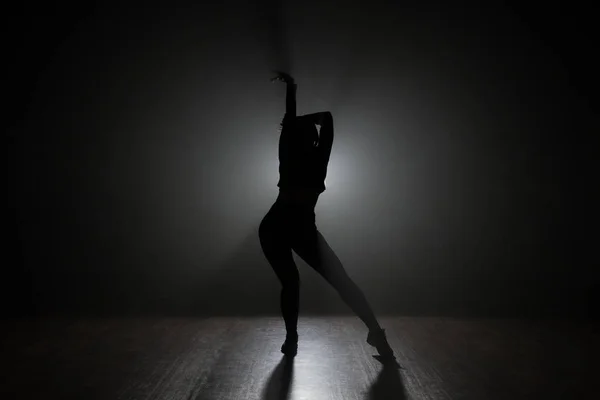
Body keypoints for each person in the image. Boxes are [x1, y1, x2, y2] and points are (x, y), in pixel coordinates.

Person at [259, 71, 396, 361]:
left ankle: (292, 338)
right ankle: (375, 333)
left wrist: (293, 93)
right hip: (296, 228)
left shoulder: (289, 153)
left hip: (276, 227)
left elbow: (294, 118)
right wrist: (301, 112)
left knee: (292, 282)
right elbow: (328, 118)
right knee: (338, 280)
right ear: (314, 138)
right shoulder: (318, 159)